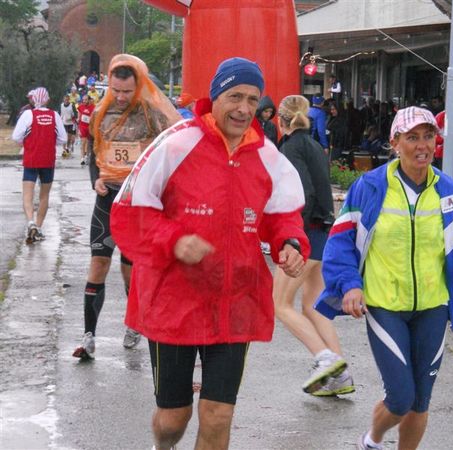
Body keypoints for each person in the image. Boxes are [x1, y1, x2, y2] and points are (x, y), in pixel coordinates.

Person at [109, 56, 309, 450]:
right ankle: (162, 445)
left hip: (234, 301)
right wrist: (174, 240)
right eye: (235, 96)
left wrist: (289, 243)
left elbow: (283, 215)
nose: (244, 108)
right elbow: (131, 210)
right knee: (173, 420)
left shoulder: (268, 157)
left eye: (253, 99)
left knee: (219, 415)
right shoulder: (177, 143)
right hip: (174, 303)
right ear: (215, 95)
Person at [314, 106, 453, 450]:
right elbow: (340, 243)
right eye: (412, 137)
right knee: (400, 397)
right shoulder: (370, 187)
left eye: (428, 136)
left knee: (420, 400)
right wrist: (350, 285)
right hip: (385, 305)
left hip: (433, 305)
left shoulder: (450, 191)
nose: (422, 145)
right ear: (395, 142)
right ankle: (372, 439)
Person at [72, 54, 181, 361]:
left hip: (137, 203)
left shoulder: (152, 114)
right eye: (115, 90)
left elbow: (171, 151)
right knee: (98, 263)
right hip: (107, 200)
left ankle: (133, 325)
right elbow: (95, 151)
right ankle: (89, 335)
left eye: (126, 92)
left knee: (131, 271)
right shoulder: (100, 112)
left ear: (138, 87)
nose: (120, 97)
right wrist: (95, 180)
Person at [274, 94, 354, 396]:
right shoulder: (315, 146)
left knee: (279, 304)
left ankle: (327, 360)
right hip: (322, 232)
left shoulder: (291, 147)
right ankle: (339, 373)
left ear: (280, 119)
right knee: (312, 305)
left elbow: (300, 193)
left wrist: (291, 238)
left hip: (304, 233)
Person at [12, 87, 67, 243]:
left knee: (27, 195)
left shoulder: (27, 115)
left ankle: (30, 222)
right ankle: (39, 226)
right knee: (44, 195)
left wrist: (27, 142)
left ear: (32, 100)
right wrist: (49, 141)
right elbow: (62, 139)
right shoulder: (54, 115)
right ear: (47, 100)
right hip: (48, 160)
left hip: (31, 159)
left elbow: (16, 136)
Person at [77, 95, 95, 166]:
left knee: (88, 143)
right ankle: (82, 158)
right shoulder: (80, 107)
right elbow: (79, 116)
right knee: (83, 142)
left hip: (89, 127)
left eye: (86, 100)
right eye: (83, 100)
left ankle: (87, 156)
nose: (84, 101)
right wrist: (78, 119)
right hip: (82, 127)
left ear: (89, 100)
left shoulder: (93, 107)